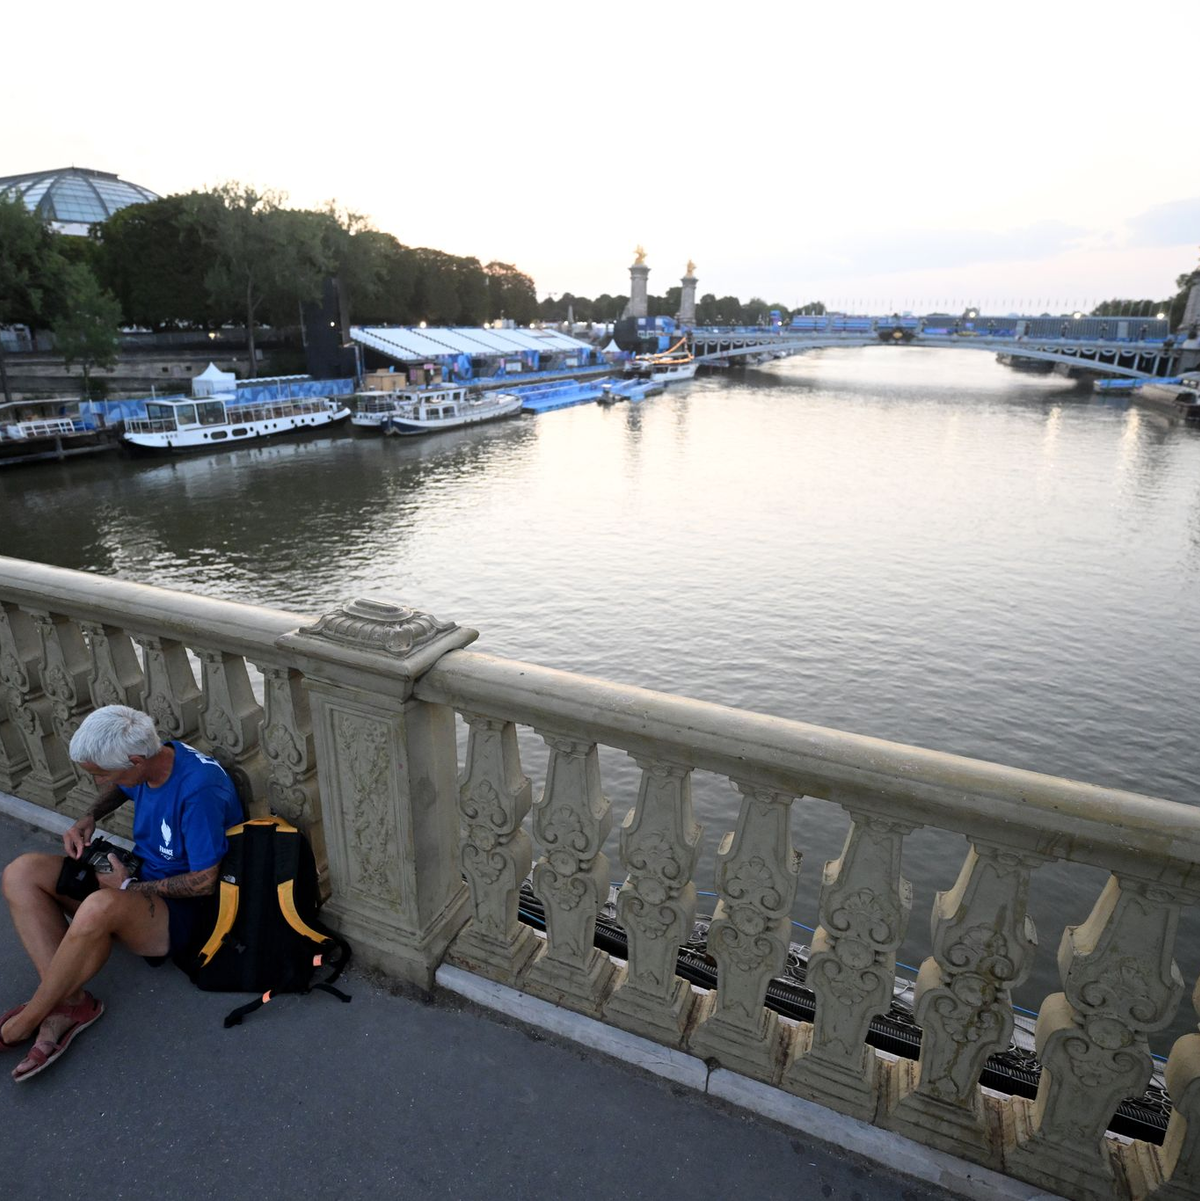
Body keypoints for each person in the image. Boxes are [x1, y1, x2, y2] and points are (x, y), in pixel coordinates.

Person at [0, 705, 241, 1082]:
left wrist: (128, 887)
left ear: (134, 759)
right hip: (134, 878)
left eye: (100, 774)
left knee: (96, 908)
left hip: (183, 911)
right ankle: (71, 1003)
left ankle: (28, 1020)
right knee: (21, 872)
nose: (98, 782)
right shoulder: (154, 755)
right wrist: (89, 818)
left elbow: (205, 881)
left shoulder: (200, 789)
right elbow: (121, 786)